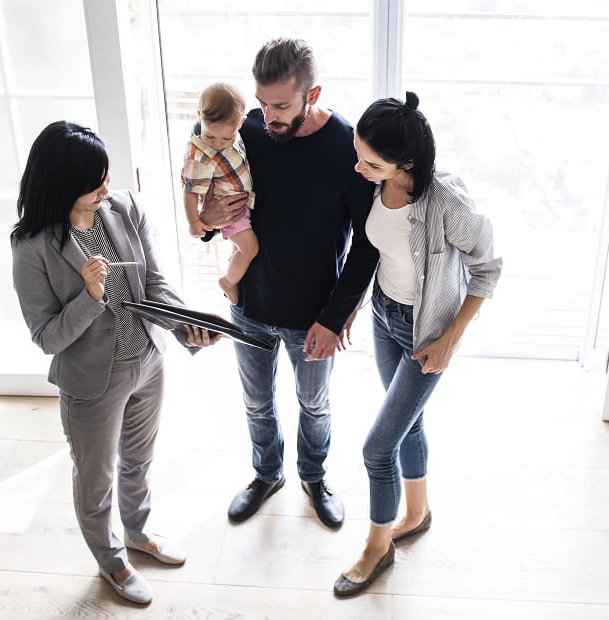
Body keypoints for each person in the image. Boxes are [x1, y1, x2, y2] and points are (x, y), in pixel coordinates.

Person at [10, 121, 221, 605]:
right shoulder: (32, 248)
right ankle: (110, 559)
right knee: (95, 478)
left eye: (106, 174)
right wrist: (90, 295)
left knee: (140, 461)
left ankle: (138, 533)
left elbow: (155, 286)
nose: (107, 186)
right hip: (91, 383)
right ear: (62, 183)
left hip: (147, 360)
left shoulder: (123, 208)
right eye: (94, 181)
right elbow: (47, 337)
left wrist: (186, 325)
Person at [196, 38, 378, 529]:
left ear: (311, 94)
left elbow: (367, 244)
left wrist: (335, 317)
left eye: (280, 105)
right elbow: (211, 199)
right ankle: (266, 473)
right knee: (256, 400)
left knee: (313, 404)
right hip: (250, 303)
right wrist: (208, 218)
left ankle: (314, 477)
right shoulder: (247, 131)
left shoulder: (346, 145)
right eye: (261, 102)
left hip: (314, 315)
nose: (267, 115)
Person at [333, 93, 501, 597]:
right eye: (358, 155)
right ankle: (418, 512)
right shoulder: (376, 184)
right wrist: (353, 307)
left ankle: (376, 548)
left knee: (377, 448)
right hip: (386, 315)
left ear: (407, 161)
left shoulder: (448, 204)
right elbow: (377, 254)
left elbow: (488, 269)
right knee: (408, 425)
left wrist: (451, 338)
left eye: (372, 161)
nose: (359, 168)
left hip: (425, 331)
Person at [180, 82, 257, 305]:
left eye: (226, 139)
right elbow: (190, 191)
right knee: (250, 248)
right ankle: (228, 282)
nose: (218, 144)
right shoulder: (200, 154)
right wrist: (194, 221)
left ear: (240, 123)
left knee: (239, 248)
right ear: (199, 118)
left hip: (241, 205)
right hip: (230, 210)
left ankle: (233, 275)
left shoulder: (235, 131)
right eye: (210, 136)